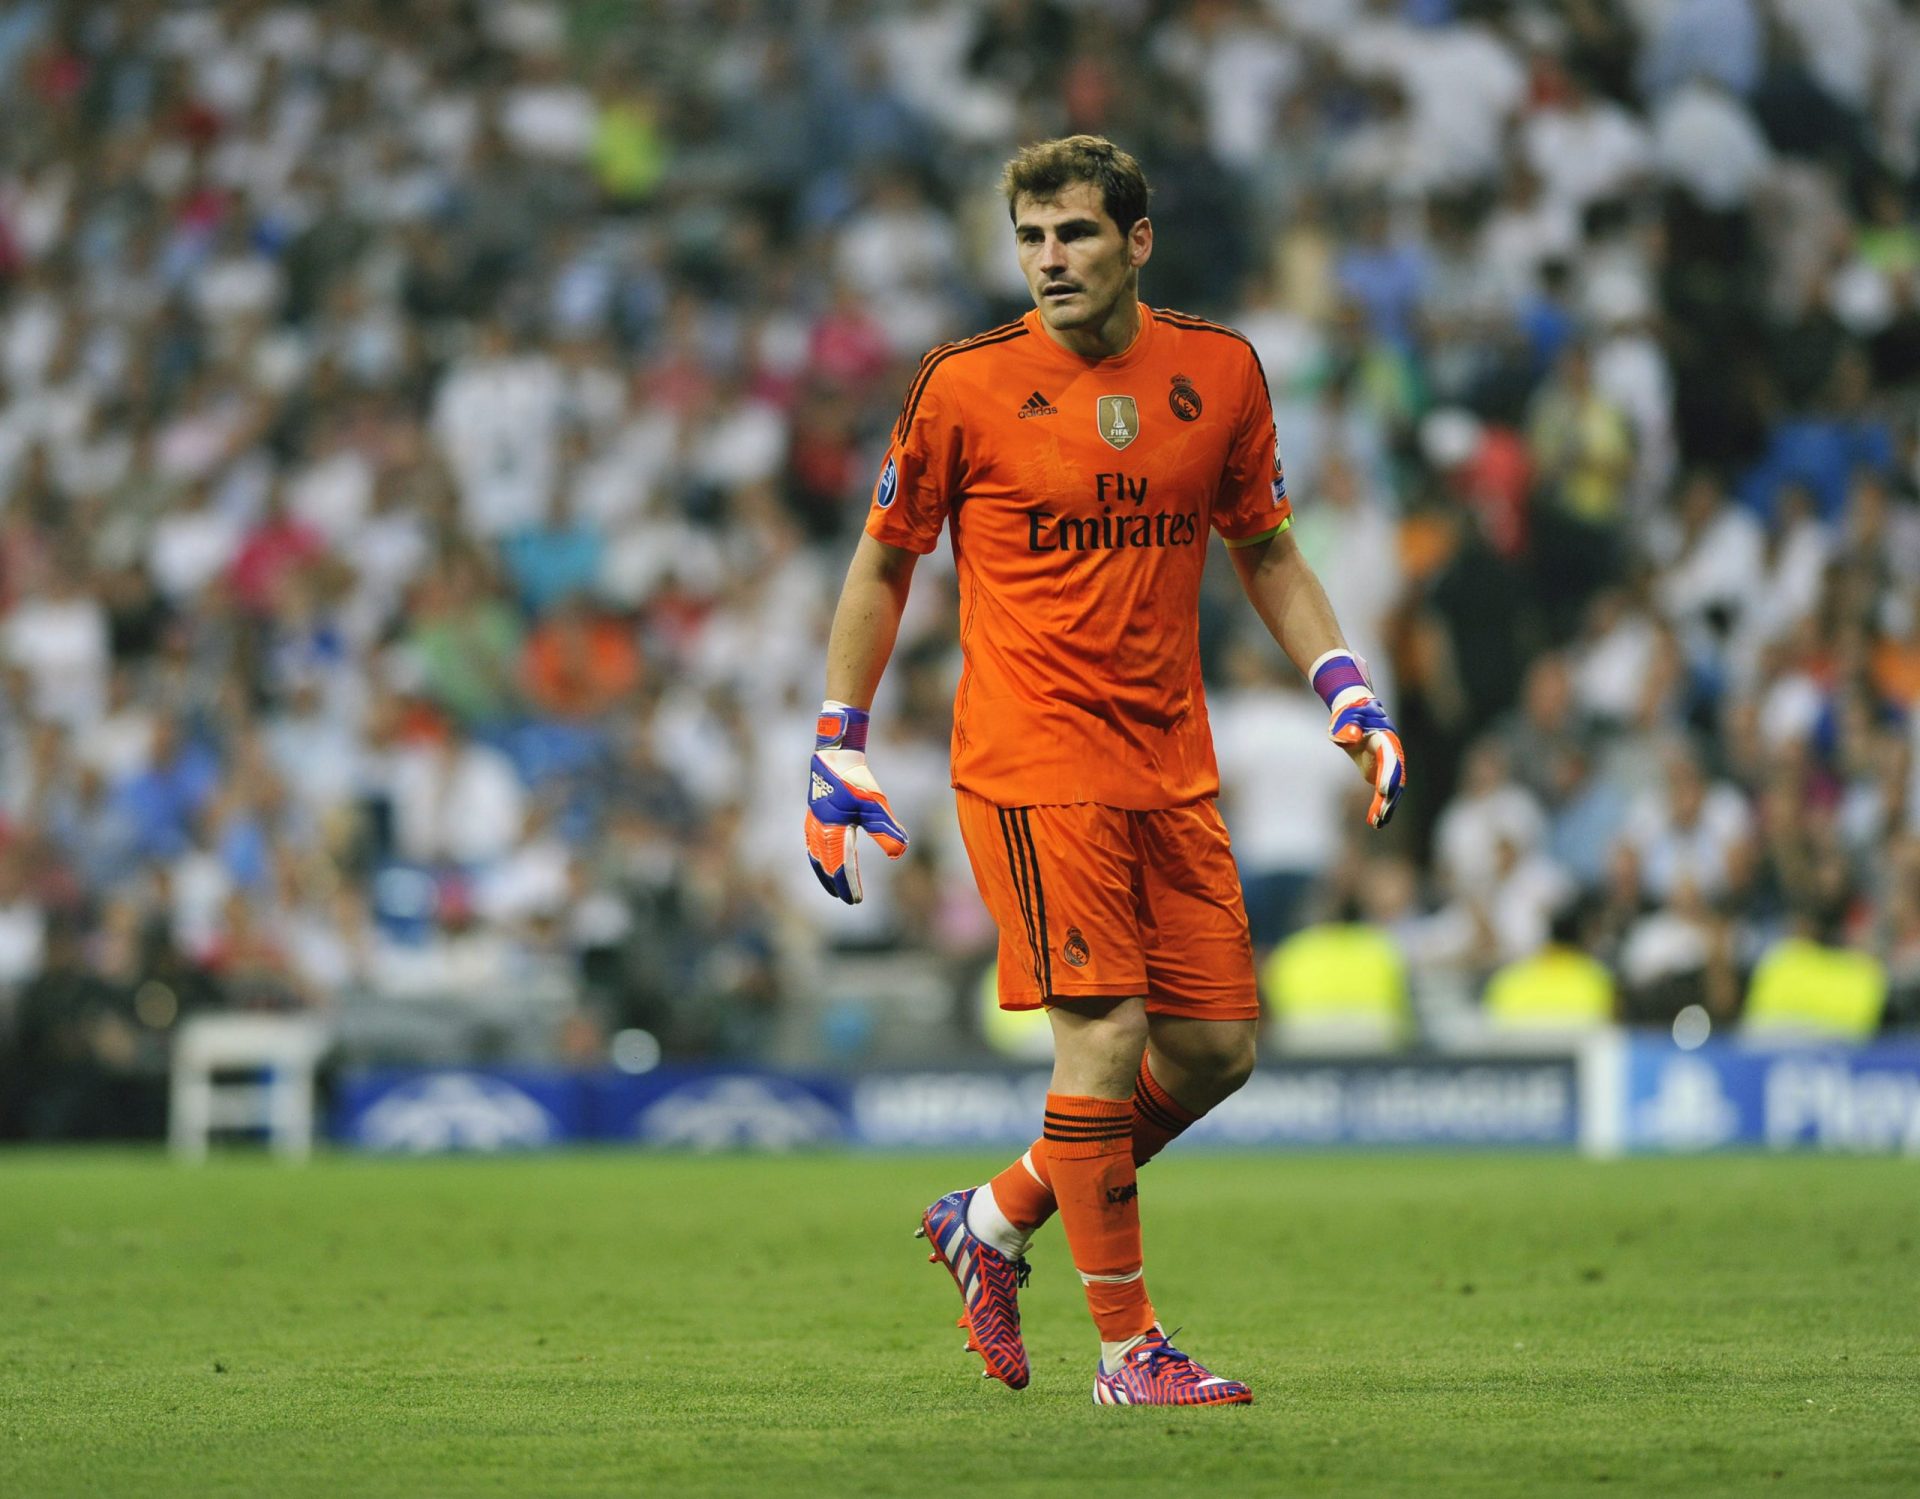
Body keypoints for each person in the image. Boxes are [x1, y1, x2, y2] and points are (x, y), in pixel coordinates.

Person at [804, 136, 1405, 1407]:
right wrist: (836, 737)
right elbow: (882, 558)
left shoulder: (1221, 372)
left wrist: (1344, 686)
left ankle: (996, 1215)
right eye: (1030, 238)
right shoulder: (962, 385)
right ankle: (1131, 1351)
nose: (1048, 260)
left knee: (1214, 1050)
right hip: (1032, 758)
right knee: (1105, 1034)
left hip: (1170, 762)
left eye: (1073, 234)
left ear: (1137, 241)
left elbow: (1271, 550)